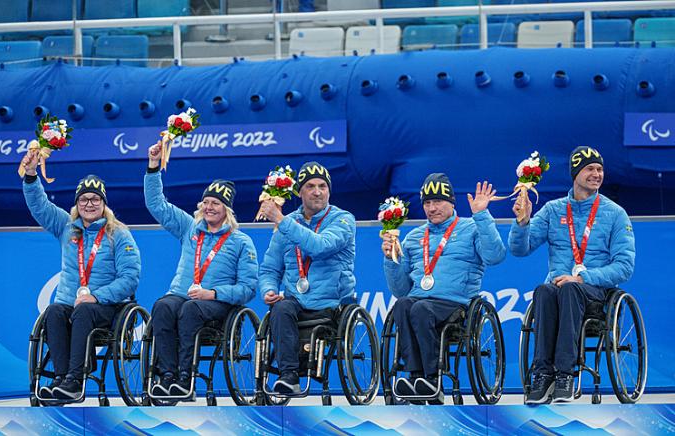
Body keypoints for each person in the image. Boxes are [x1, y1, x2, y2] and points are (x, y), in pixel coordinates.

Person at [508, 146, 635, 404]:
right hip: (557, 291)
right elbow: (520, 249)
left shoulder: (615, 213)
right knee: (543, 290)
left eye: (599, 169)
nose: (597, 174)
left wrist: (582, 278)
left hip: (596, 294)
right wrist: (521, 223)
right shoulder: (554, 211)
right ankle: (543, 375)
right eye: (590, 169)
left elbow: (624, 266)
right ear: (575, 174)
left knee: (569, 288)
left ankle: (566, 374)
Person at [20, 153, 140, 401]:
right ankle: (63, 380)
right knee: (53, 312)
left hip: (107, 307)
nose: (89, 204)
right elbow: (39, 206)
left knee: (83, 311)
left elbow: (129, 278)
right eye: (84, 199)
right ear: (77, 203)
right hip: (69, 303)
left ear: (104, 203)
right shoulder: (67, 227)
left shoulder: (119, 234)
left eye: (95, 199)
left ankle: (75, 379)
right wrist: (31, 175)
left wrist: (95, 297)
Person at [144, 142, 258, 397]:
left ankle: (186, 378)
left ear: (226, 209)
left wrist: (213, 293)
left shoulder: (241, 242)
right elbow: (157, 205)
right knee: (163, 306)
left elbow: (248, 288)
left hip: (214, 305)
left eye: (215, 203)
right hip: (182, 295)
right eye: (205, 202)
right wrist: (153, 168)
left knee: (189, 309)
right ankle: (167, 376)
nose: (208, 207)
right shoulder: (190, 228)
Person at [382, 173, 506, 403]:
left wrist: (481, 215)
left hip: (456, 303)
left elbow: (495, 255)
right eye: (427, 203)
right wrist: (390, 259)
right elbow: (400, 290)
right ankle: (416, 377)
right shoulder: (413, 237)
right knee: (402, 305)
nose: (431, 208)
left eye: (437, 201)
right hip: (419, 299)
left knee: (420, 309)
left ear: (451, 202)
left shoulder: (471, 228)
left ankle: (432, 379)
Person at [258, 161, 356, 394]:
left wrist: (281, 220)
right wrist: (269, 289)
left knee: (288, 308)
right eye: (310, 186)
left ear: (329, 191)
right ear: (299, 192)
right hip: (297, 301)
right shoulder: (289, 223)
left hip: (331, 303)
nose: (317, 191)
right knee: (280, 309)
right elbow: (270, 268)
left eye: (322, 186)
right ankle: (289, 376)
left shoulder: (343, 219)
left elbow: (320, 246)